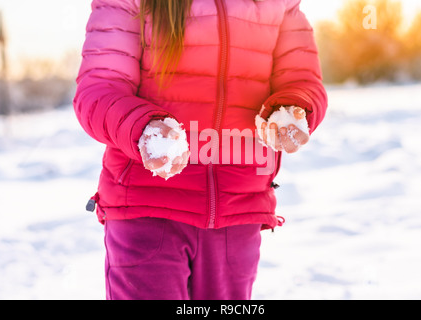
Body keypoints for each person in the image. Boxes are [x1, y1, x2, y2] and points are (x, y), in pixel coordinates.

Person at [73, 0, 327, 300]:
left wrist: (294, 109)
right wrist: (145, 129)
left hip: (238, 207)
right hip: (148, 206)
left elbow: (302, 79)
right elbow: (101, 88)